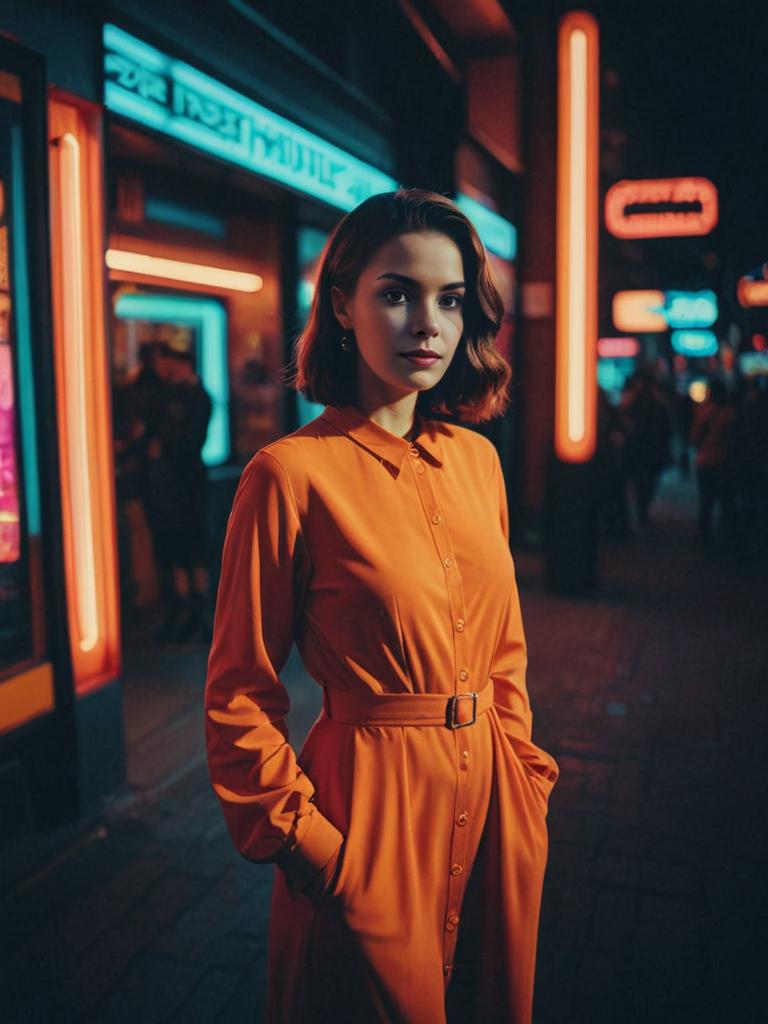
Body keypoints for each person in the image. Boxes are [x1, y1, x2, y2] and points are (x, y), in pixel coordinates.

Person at [204, 189, 559, 1023]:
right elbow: (236, 696)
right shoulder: (290, 475)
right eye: (397, 293)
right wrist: (313, 849)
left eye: (449, 298)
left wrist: (528, 779)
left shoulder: (478, 460)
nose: (427, 322)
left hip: (496, 809)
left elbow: (504, 651)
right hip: (366, 814)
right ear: (342, 304)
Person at [143, 336, 213, 642]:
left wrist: (164, 446)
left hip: (187, 481)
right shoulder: (174, 395)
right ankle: (189, 611)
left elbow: (190, 439)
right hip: (176, 481)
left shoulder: (197, 397)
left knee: (191, 545)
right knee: (178, 547)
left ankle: (198, 612)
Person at [690, 378, 737, 542]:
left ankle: (705, 534)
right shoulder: (731, 414)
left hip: (705, 461)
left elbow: (695, 439)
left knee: (706, 501)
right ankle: (727, 535)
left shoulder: (703, 413)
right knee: (726, 501)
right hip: (725, 462)